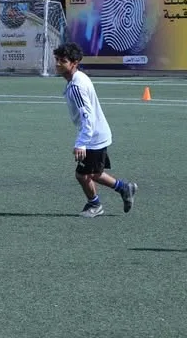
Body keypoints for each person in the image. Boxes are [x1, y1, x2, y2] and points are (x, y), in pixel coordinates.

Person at [55, 42, 137, 218]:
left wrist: (82, 143)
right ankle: (125, 188)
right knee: (95, 173)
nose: (58, 64)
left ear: (74, 63)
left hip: (93, 137)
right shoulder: (78, 78)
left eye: (62, 61)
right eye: (57, 60)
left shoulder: (77, 85)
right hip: (97, 134)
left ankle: (95, 205)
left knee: (82, 175)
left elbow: (87, 116)